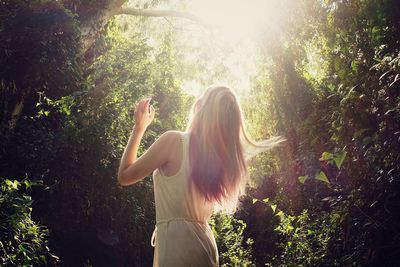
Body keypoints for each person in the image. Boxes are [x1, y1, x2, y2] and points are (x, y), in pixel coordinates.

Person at [118, 85, 284, 267]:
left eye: (201, 98)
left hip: (176, 248)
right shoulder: (219, 159)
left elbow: (125, 175)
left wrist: (139, 128)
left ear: (202, 108)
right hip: (204, 247)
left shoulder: (174, 141)